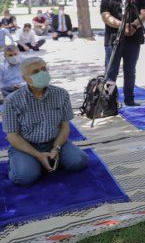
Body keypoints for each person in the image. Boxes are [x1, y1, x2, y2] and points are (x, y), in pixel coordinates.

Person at [2, 56, 88, 185]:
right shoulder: (12, 101)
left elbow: (65, 127)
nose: (42, 73)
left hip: (55, 141)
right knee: (23, 177)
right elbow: (13, 136)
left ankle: (45, 159)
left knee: (79, 162)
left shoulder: (61, 94)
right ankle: (27, 161)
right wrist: (37, 154)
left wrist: (56, 148)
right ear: (25, 78)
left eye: (43, 69)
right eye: (35, 72)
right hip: (26, 145)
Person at [100, 0, 145, 107]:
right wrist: (122, 26)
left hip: (133, 39)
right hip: (113, 39)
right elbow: (105, 16)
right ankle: (108, 102)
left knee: (130, 70)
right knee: (111, 71)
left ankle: (129, 99)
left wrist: (133, 26)